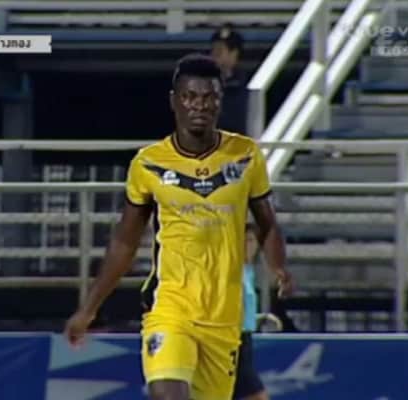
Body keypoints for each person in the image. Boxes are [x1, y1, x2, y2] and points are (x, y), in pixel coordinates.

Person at [64, 53, 293, 400]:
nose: (199, 105)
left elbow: (267, 223)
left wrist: (278, 266)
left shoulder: (245, 155)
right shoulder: (149, 163)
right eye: (190, 97)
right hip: (170, 308)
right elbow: (124, 242)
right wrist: (88, 309)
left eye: (209, 97)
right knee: (168, 394)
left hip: (224, 318)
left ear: (219, 101)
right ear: (174, 101)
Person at [234, 224, 269, 400]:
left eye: (251, 241)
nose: (247, 245)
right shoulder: (232, 271)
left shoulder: (249, 271)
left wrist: (257, 317)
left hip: (245, 337)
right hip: (234, 339)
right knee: (256, 394)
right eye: (244, 241)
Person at [210, 24, 249, 135]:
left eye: (219, 51)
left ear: (234, 53)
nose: (213, 55)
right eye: (213, 50)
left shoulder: (247, 83)